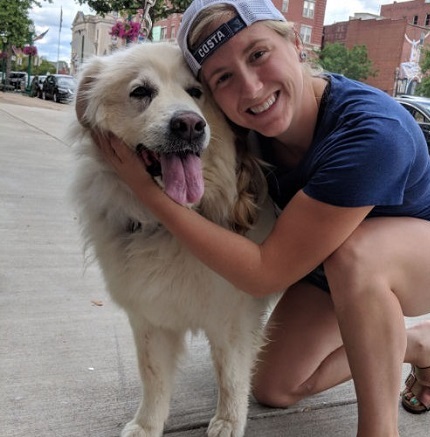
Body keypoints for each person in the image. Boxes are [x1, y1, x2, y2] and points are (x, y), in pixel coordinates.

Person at [93, 0, 430, 435]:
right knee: (275, 386)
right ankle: (419, 344)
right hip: (324, 265)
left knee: (354, 254)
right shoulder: (248, 127)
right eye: (223, 78)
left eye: (258, 55)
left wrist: (146, 191)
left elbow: (264, 274)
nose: (251, 89)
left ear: (295, 43)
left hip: (414, 258)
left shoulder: (372, 133)